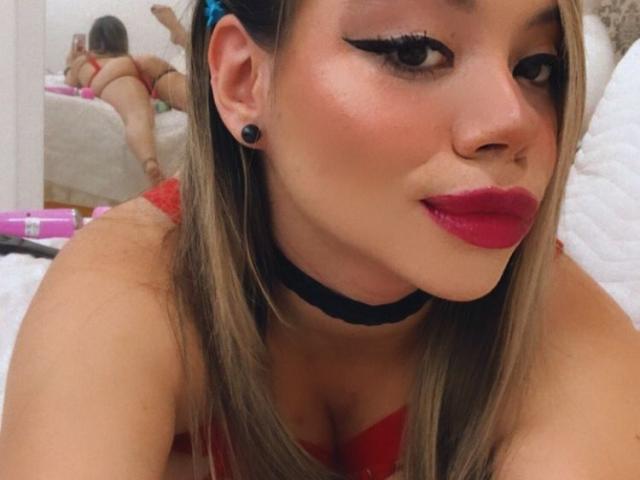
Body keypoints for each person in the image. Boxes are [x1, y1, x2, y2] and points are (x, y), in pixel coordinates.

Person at [1, 0, 639, 479]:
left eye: (537, 67)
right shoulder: (127, 295)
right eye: (414, 51)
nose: (514, 122)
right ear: (243, 80)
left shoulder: (556, 324)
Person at [63, 15, 189, 186]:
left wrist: (70, 63)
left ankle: (149, 161)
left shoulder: (83, 61)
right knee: (164, 83)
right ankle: (201, 98)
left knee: (136, 115)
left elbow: (69, 83)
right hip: (135, 65)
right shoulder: (129, 58)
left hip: (103, 75)